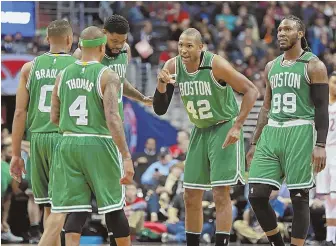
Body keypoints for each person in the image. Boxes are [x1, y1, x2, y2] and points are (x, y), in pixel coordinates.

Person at [153, 28, 259, 246]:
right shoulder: (172, 66)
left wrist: (238, 125)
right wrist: (162, 84)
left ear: (201, 47)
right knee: (190, 195)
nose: (183, 50)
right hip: (199, 130)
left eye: (189, 45)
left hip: (223, 127)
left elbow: (251, 90)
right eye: (181, 45)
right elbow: (160, 108)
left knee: (220, 194)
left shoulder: (215, 64)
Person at [38, 26, 134, 246]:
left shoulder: (63, 75)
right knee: (113, 206)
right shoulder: (107, 75)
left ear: (80, 46)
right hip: (99, 143)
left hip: (68, 143)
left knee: (75, 209)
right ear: (102, 47)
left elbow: (54, 116)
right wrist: (126, 155)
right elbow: (113, 118)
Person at [68, 15, 152, 246]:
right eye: (113, 40)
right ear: (103, 33)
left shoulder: (124, 49)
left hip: (106, 132)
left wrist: (142, 97)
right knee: (109, 203)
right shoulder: (83, 55)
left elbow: (119, 81)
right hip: (98, 131)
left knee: (105, 202)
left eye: (121, 40)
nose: (117, 45)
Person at [246, 15, 329, 246]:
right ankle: (277, 243)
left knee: (299, 197)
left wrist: (320, 145)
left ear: (300, 33)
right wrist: (254, 142)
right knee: (257, 194)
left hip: (300, 130)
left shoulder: (314, 65)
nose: (281, 33)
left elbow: (322, 109)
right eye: (280, 29)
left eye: (287, 29)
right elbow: (265, 107)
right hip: (272, 131)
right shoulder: (271, 66)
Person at [9, 19, 75, 245]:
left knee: (49, 207)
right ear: (70, 39)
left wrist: (16, 154)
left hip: (37, 140)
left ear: (47, 39)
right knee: (62, 208)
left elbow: (19, 113)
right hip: (64, 138)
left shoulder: (29, 67)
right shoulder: (76, 64)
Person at [316, 71, 336, 246]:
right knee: (328, 198)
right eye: (333, 82)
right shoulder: (321, 105)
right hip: (324, 151)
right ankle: (330, 238)